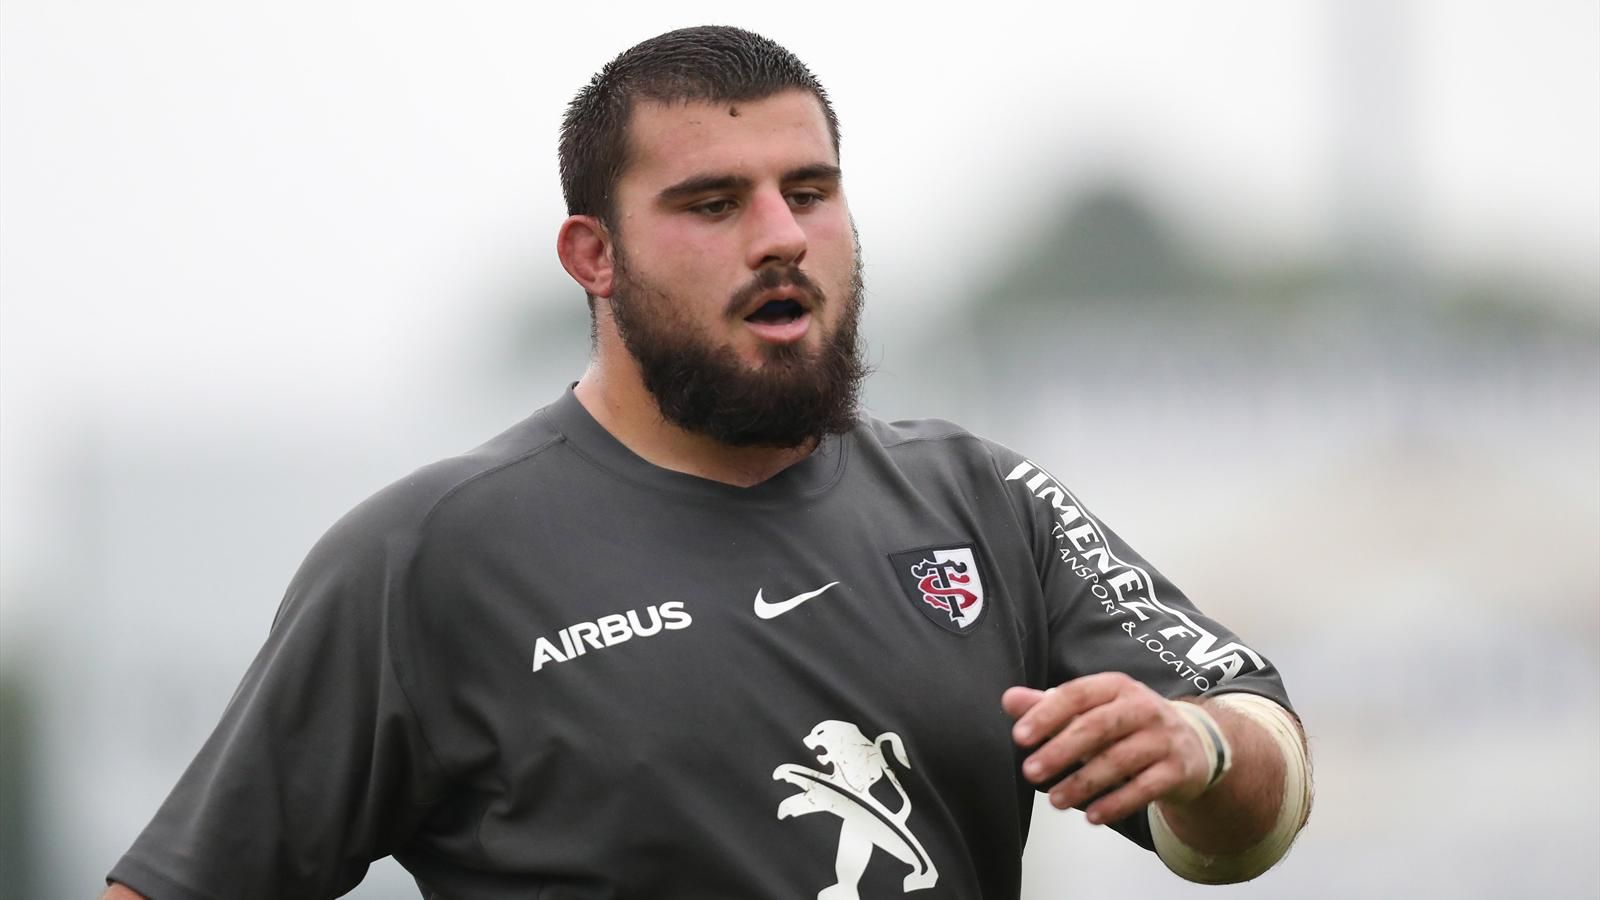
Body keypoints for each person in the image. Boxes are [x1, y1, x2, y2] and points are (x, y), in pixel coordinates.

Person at [104, 25, 1311, 900]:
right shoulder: (430, 558)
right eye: (713, 202)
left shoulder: (978, 499)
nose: (782, 236)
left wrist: (1198, 752)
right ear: (594, 254)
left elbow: (1255, 792)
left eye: (810, 189)